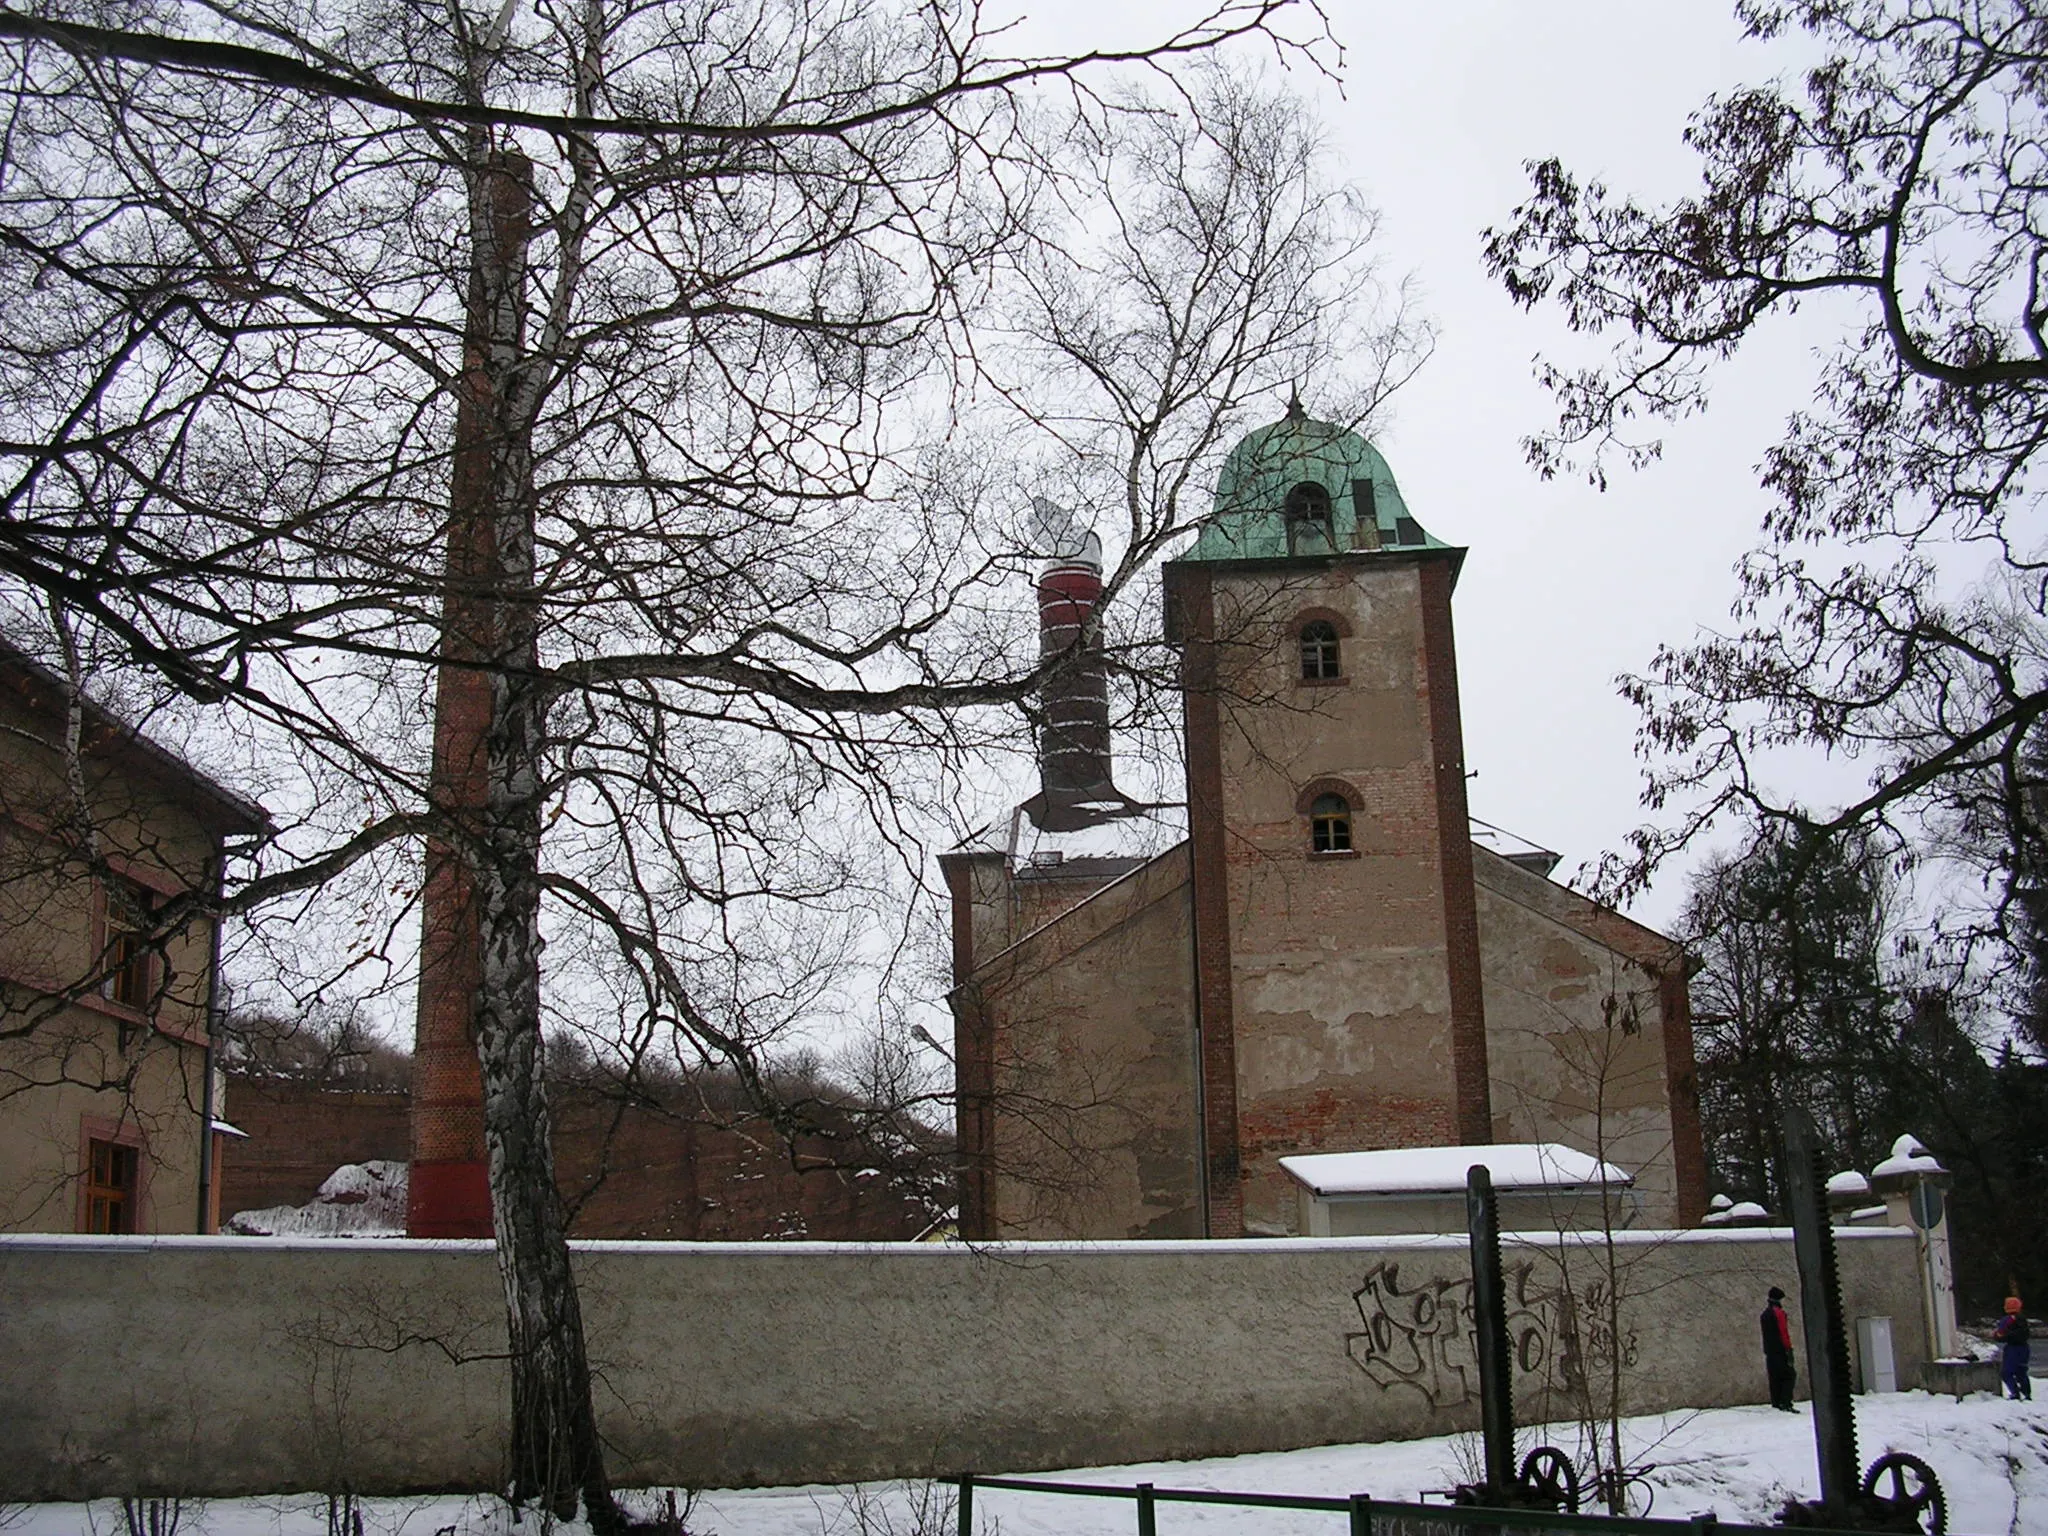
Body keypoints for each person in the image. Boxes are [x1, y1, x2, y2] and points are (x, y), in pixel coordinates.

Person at [1761, 1286, 1797, 1411]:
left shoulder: (1765, 1314)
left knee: (1774, 1376)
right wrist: (1788, 1349)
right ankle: (1786, 1402)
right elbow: (1783, 1332)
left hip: (1769, 1351)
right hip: (1780, 1350)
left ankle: (1776, 1403)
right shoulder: (1779, 1313)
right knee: (1789, 1375)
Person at [1996, 1296, 2032, 1401]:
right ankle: (2026, 1394)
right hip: (2024, 1348)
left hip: (2012, 1348)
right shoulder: (2023, 1319)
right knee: (2021, 1371)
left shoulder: (2007, 1320)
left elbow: (2000, 1335)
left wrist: (1999, 1336)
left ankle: (2015, 1394)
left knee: (2006, 1373)